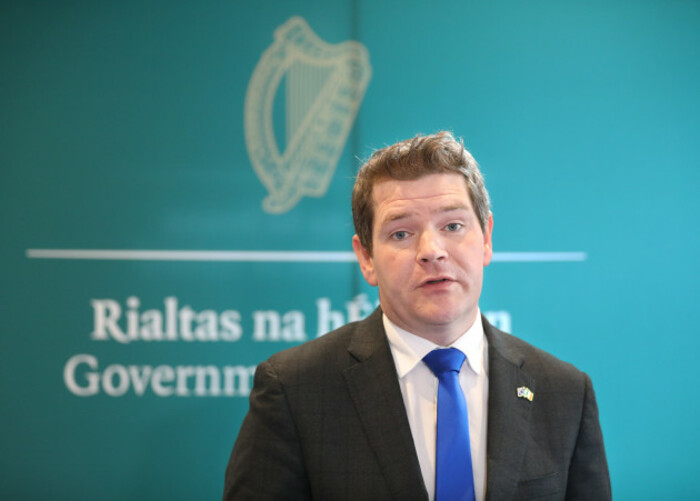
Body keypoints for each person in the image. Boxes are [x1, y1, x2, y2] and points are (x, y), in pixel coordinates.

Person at [222, 131, 611, 500]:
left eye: (453, 225)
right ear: (366, 258)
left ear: (487, 238)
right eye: (401, 234)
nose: (432, 250)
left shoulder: (564, 393)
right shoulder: (294, 389)